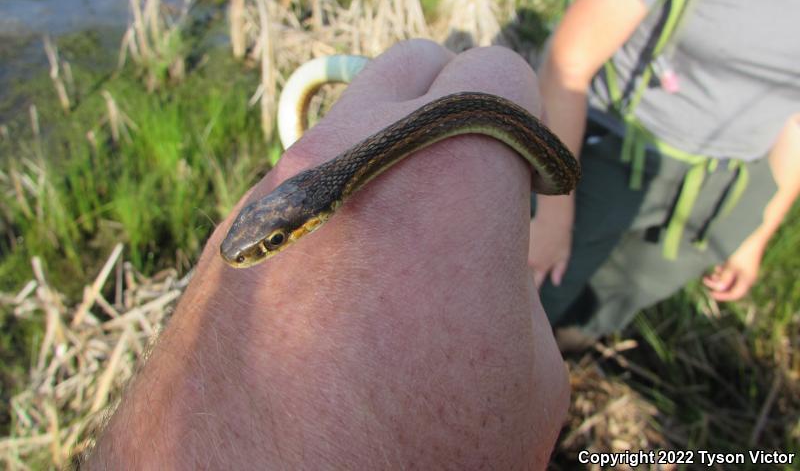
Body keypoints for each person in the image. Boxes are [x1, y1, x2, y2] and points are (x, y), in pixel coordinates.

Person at [86, 40, 569, 469]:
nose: (265, 251)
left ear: (313, 217)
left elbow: (562, 177)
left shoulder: (355, 173)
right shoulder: (330, 180)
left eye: (274, 242)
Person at [529, 0, 800, 342]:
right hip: (607, 158)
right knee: (522, 311)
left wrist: (754, 234)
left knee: (602, 311)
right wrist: (551, 216)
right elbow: (569, 62)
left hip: (725, 191)